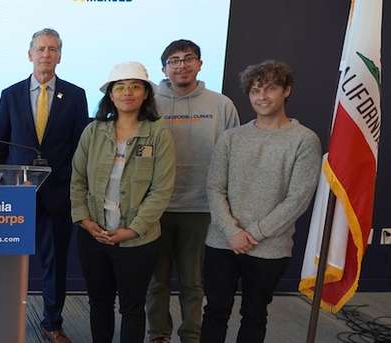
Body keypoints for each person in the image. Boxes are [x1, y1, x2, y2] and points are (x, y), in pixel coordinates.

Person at [202, 61, 321, 343]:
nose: (262, 96)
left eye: (270, 89)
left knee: (254, 314)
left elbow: (298, 199)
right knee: (215, 311)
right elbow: (214, 187)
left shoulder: (304, 140)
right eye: (255, 90)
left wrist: (253, 234)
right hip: (222, 242)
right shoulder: (231, 138)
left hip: (269, 248)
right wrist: (232, 232)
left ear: (286, 91)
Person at [70, 61, 176, 343]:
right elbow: (78, 179)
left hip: (137, 240)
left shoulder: (158, 133)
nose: (127, 92)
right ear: (111, 95)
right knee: (99, 302)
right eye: (120, 87)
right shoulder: (93, 132)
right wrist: (86, 222)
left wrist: (132, 230)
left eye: (135, 86)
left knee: (132, 307)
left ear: (145, 94)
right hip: (94, 236)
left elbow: (161, 190)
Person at [0, 28, 88, 343]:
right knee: (10, 264)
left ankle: (52, 322)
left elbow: (80, 147)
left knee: (55, 264)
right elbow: (0, 145)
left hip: (57, 195)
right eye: (40, 49)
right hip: (17, 195)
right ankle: (5, 318)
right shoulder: (10, 95)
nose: (46, 54)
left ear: (59, 55)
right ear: (30, 54)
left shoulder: (76, 96)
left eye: (52, 49)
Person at [146, 39, 240, 343]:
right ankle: (158, 334)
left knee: (193, 282)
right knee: (156, 282)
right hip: (155, 208)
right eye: (174, 60)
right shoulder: (150, 103)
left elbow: (233, 156)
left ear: (199, 64)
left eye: (188, 59)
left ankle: (191, 335)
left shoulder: (221, 104)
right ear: (164, 68)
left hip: (201, 208)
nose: (181, 65)